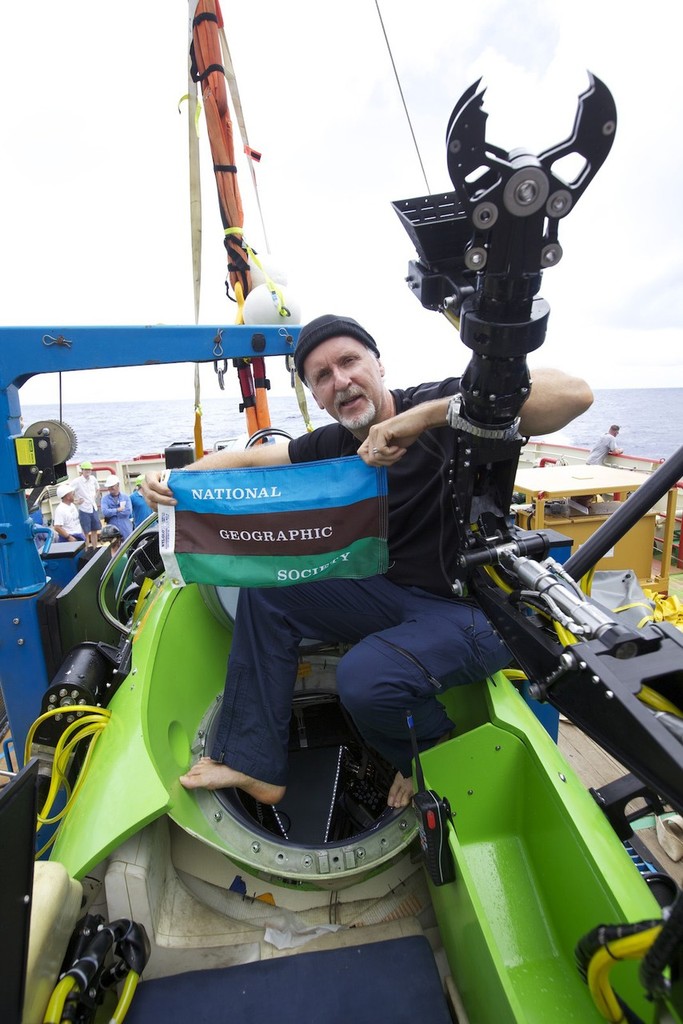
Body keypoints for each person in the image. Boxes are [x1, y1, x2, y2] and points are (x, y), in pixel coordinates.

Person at [143, 314, 593, 809]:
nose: (340, 380)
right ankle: (255, 763)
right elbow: (251, 460)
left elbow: (574, 395)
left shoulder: (441, 400)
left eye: (349, 361)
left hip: (478, 611)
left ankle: (427, 749)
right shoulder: (335, 445)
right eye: (322, 376)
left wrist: (424, 418)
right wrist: (178, 484)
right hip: (395, 597)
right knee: (268, 588)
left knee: (364, 679)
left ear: (378, 364)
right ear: (316, 397)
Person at [71, 461, 101, 550]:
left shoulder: (93, 479)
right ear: (82, 470)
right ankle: (86, 550)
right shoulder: (77, 481)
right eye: (86, 469)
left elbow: (98, 488)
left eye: (89, 469)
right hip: (84, 509)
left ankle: (95, 549)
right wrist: (76, 501)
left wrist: (95, 496)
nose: (88, 471)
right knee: (85, 532)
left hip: (93, 507)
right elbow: (69, 492)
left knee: (95, 530)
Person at [101, 475, 133, 540]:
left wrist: (112, 512)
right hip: (112, 530)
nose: (110, 489)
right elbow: (105, 512)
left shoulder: (125, 497)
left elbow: (128, 512)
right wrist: (118, 510)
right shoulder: (105, 499)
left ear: (118, 485)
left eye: (112, 486)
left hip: (126, 528)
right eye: (109, 487)